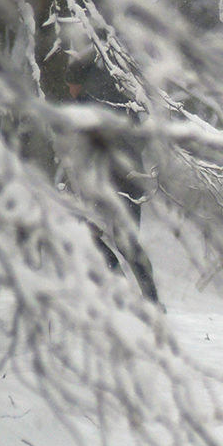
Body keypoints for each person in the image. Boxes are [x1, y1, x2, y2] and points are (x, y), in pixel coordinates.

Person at [65, 56, 161, 308]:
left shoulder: (92, 104)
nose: (69, 90)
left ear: (79, 83)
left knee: (93, 235)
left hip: (113, 181)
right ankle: (146, 299)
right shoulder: (114, 96)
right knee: (119, 240)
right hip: (126, 180)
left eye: (70, 84)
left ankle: (130, 296)